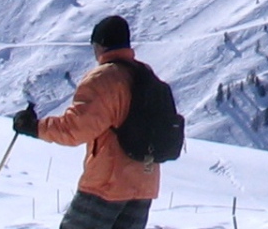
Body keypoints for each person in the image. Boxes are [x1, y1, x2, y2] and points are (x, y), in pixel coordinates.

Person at [14, 16, 161, 229]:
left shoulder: (103, 78)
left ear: (100, 44)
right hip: (145, 183)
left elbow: (75, 129)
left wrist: (34, 127)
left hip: (107, 183)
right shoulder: (146, 75)